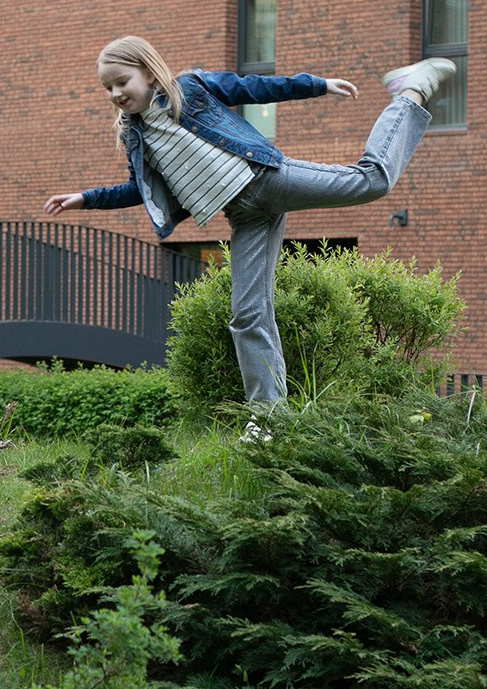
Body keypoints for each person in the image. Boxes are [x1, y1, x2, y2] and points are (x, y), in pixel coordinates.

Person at [43, 34, 454, 415]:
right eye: (107, 89)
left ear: (148, 72)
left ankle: (410, 91)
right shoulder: (137, 137)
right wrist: (85, 199)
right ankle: (269, 417)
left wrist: (316, 84)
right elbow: (141, 190)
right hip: (244, 214)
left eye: (121, 82)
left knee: (372, 180)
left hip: (267, 179)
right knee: (247, 314)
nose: (116, 94)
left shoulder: (191, 89)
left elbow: (254, 89)